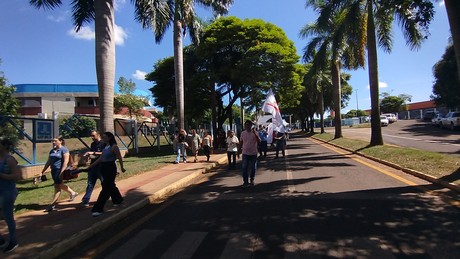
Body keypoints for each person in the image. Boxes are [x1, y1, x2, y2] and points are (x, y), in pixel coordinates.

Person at [83, 132, 126, 217]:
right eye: (103, 137)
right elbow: (101, 159)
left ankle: (98, 208)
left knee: (105, 188)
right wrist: (90, 167)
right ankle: (118, 200)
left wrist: (121, 167)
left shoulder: (114, 147)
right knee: (110, 185)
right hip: (104, 168)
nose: (103, 138)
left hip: (111, 168)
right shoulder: (105, 147)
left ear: (109, 138)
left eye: (105, 137)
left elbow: (119, 157)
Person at [40, 137, 78, 212]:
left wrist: (61, 172)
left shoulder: (64, 150)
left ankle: (52, 204)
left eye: (55, 141)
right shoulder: (52, 151)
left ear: (60, 141)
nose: (53, 142)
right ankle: (73, 193)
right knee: (60, 184)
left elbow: (65, 162)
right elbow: (48, 162)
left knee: (57, 186)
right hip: (53, 170)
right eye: (53, 141)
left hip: (59, 170)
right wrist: (42, 172)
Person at [0, 139, 21, 253]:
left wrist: (1, 175)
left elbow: (16, 176)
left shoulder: (10, 160)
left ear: (4, 146)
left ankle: (13, 241)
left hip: (8, 192)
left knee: (8, 217)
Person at [80, 131, 104, 206]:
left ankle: (108, 197)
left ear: (98, 135)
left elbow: (104, 153)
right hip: (93, 166)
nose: (92, 137)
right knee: (90, 184)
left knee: (105, 183)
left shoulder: (103, 143)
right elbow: (92, 154)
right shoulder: (93, 144)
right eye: (91, 136)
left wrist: (93, 153)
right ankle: (86, 200)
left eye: (93, 136)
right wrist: (88, 156)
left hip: (102, 167)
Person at [239, 120, 260, 188]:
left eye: (248, 125)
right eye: (246, 125)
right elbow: (241, 142)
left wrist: (255, 134)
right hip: (245, 153)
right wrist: (238, 151)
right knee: (244, 167)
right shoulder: (243, 133)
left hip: (253, 153)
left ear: (251, 125)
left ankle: (252, 180)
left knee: (253, 168)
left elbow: (259, 142)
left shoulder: (255, 132)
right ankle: (245, 182)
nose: (247, 126)